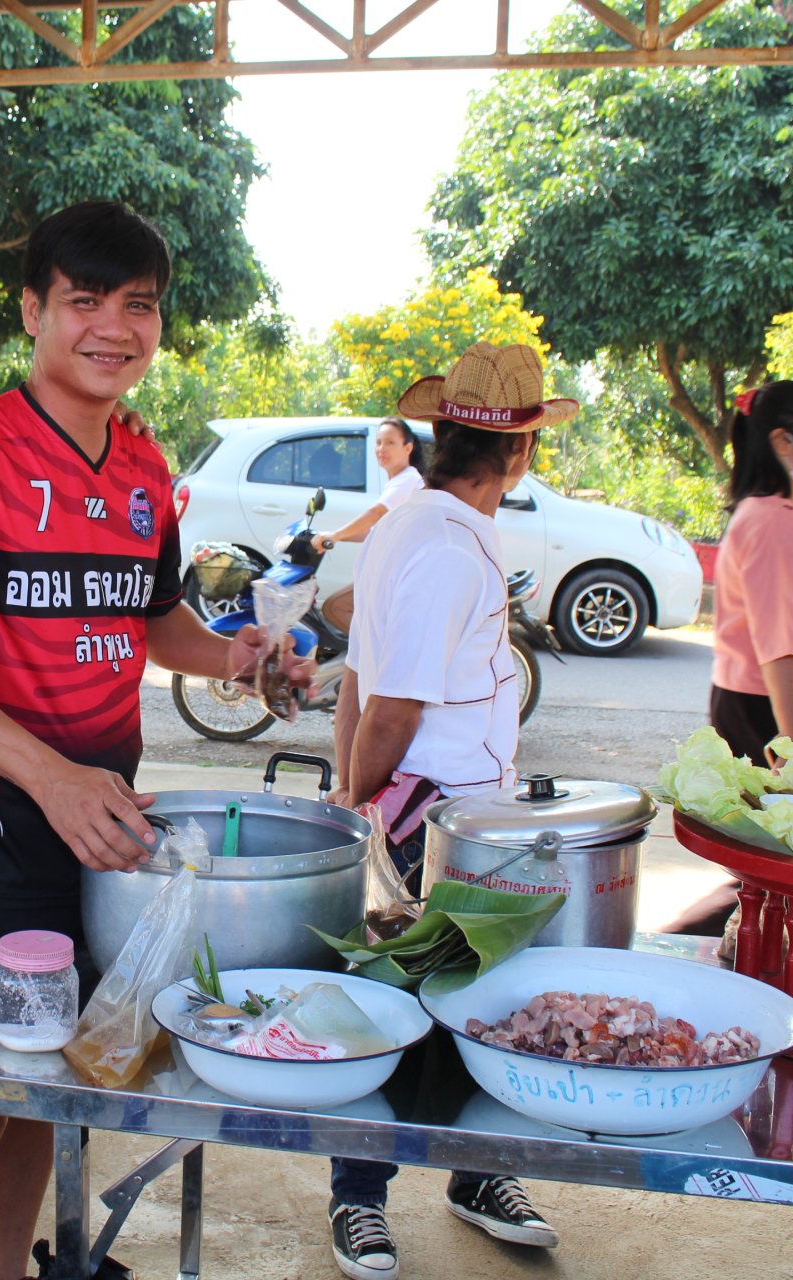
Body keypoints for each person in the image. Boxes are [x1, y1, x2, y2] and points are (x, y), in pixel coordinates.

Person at [0, 201, 308, 1280]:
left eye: (140, 306)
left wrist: (241, 657)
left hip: (103, 830)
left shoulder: (146, 467)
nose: (114, 328)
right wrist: (53, 778)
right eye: (85, 301)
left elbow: (154, 622)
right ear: (33, 310)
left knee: (50, 1092)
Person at [323, 342, 578, 1280]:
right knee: (395, 1008)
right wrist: (361, 809)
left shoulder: (417, 524)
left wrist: (351, 792)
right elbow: (389, 708)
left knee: (470, 1006)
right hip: (426, 819)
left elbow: (358, 679)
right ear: (520, 451)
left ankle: (477, 1174)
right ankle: (359, 1197)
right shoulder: (444, 546)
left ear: (441, 433)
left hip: (445, 814)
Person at [667, 379, 793, 936]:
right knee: (773, 871)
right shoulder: (774, 522)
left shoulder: (780, 517)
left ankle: (732, 960)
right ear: (782, 441)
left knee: (774, 875)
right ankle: (680, 950)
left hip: (776, 705)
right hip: (771, 710)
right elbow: (780, 644)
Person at [316, 419, 427, 799]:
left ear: (409, 447)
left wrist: (333, 535)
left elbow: (377, 515)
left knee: (336, 608)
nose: (382, 449)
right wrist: (336, 537)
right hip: (376, 585)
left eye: (390, 442)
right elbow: (372, 527)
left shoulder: (408, 482)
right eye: (379, 443)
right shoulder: (398, 484)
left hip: (385, 590)